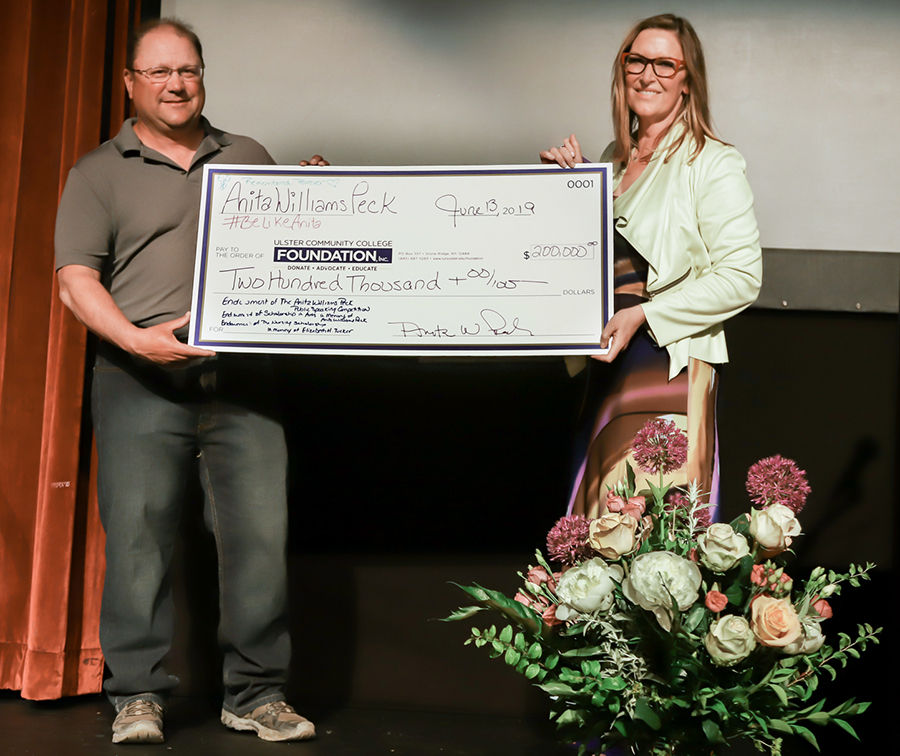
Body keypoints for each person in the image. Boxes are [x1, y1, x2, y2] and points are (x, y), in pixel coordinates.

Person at [54, 18, 327, 744]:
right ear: (130, 84)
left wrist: (324, 202)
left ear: (203, 75)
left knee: (259, 541)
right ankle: (137, 695)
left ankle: (257, 693)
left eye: (189, 70)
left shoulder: (248, 157)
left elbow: (292, 256)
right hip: (137, 381)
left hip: (243, 385)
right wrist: (136, 342)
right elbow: (75, 280)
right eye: (160, 73)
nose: (177, 85)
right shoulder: (98, 172)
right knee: (140, 542)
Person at [540, 14, 762, 518]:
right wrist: (563, 191)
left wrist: (644, 314)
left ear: (689, 80)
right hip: (605, 363)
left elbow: (742, 277)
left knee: (649, 530)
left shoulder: (712, 161)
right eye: (637, 60)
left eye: (666, 63)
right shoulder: (609, 160)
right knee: (594, 529)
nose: (648, 74)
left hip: (666, 365)